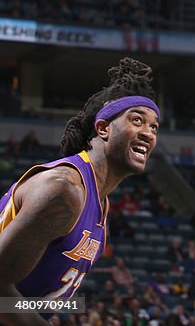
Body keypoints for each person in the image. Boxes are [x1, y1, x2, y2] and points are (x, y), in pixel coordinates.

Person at [0, 58, 160, 323]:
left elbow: (28, 303)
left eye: (154, 127)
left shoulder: (99, 204)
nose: (149, 133)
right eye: (137, 120)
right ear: (103, 128)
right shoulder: (64, 191)